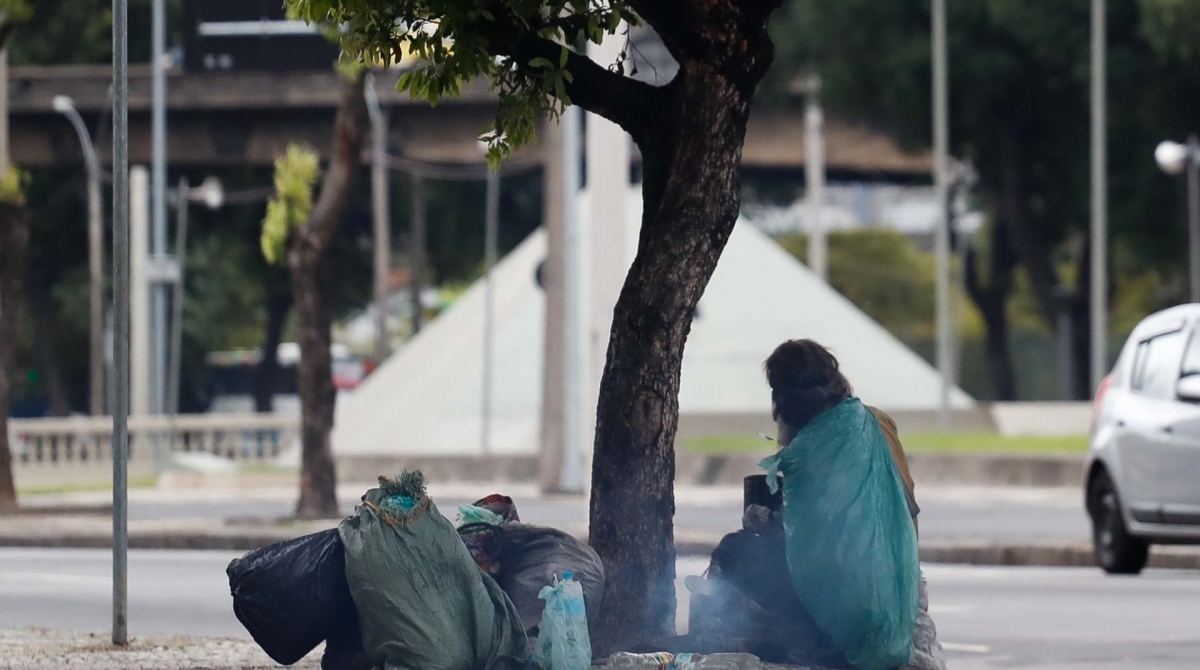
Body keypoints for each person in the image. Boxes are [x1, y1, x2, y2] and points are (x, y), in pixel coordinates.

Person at [707, 339, 946, 670]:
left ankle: (822, 651)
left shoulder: (809, 447)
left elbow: (817, 555)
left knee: (735, 551)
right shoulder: (876, 421)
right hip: (902, 587)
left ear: (782, 401)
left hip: (847, 607)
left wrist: (767, 524)